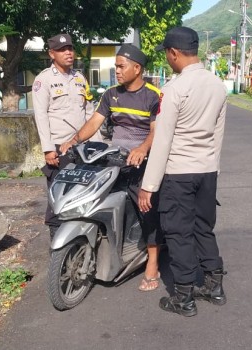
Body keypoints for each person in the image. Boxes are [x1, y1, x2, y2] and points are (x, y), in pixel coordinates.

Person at [138, 27, 227, 317]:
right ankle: (214, 286)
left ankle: (184, 297)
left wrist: (148, 185)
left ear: (174, 53)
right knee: (203, 228)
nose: (167, 59)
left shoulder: (174, 89)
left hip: (179, 173)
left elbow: (162, 140)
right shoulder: (217, 85)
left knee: (178, 233)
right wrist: (212, 169)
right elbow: (218, 134)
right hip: (207, 170)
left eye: (167, 54)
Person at [60, 44, 163, 292]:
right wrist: (73, 142)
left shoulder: (153, 96)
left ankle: (153, 264)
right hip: (115, 159)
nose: (116, 70)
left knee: (147, 209)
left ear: (137, 68)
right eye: (116, 66)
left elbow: (155, 131)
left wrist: (142, 149)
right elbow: (95, 122)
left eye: (121, 66)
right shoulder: (110, 94)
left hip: (142, 161)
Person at [32, 33, 102, 239]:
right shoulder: (43, 80)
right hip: (58, 148)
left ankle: (79, 240)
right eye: (62, 50)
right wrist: (47, 149)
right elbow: (41, 116)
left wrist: (97, 144)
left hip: (82, 148)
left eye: (70, 48)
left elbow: (89, 113)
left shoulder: (80, 78)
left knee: (82, 194)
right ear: (51, 54)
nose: (68, 53)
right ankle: (56, 242)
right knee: (58, 197)